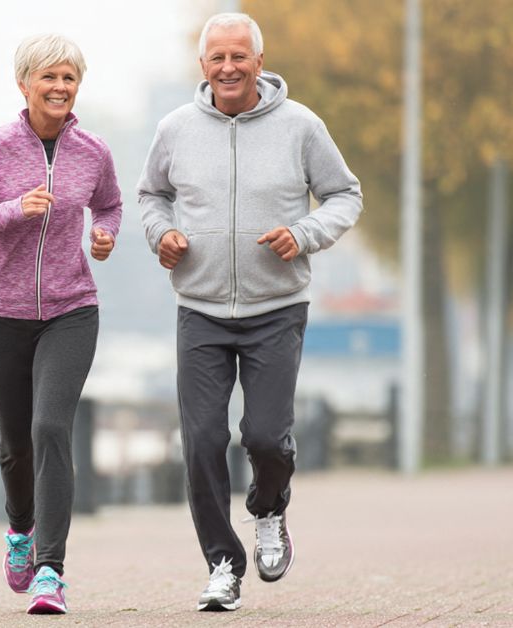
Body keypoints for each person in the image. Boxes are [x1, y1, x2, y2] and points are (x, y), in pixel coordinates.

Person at [137, 13, 363, 612]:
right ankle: (222, 563)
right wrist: (162, 234)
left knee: (264, 436)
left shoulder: (301, 126)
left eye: (240, 56)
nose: (229, 67)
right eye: (218, 57)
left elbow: (345, 194)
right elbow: (151, 194)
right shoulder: (176, 129)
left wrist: (305, 233)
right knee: (202, 440)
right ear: (203, 65)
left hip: (276, 308)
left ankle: (268, 511)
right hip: (200, 308)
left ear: (260, 62)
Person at [0, 33, 122, 615]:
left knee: (50, 428)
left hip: (72, 309)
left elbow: (110, 204)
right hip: (2, 311)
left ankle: (50, 571)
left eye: (69, 78)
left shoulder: (93, 151)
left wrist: (104, 234)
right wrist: (15, 209)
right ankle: (20, 530)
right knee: (16, 442)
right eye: (49, 77)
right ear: (24, 84)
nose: (60, 87)